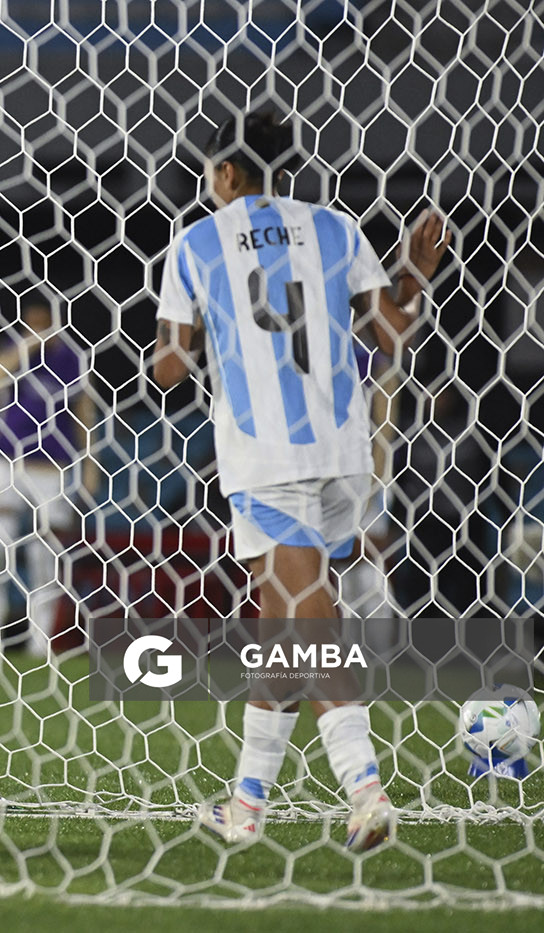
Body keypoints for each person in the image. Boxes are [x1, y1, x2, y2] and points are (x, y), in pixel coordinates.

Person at [150, 109, 450, 851]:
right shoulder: (335, 228)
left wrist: (178, 344)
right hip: (345, 448)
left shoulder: (196, 243)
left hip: (266, 456)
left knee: (306, 624)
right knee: (285, 625)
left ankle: (365, 789)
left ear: (225, 172)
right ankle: (245, 805)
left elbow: (169, 368)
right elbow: (392, 332)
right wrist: (415, 270)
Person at [0, 302, 90, 656]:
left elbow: (83, 410)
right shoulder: (15, 351)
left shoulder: (71, 359)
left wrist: (90, 464)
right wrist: (26, 346)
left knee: (45, 557)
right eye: (32, 324)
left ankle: (40, 641)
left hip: (51, 468)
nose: (39, 330)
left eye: (44, 324)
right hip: (8, 462)